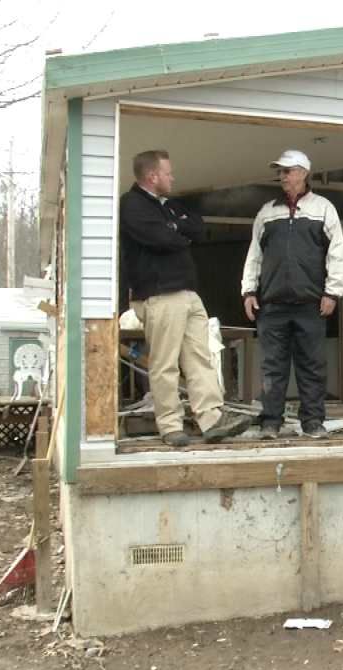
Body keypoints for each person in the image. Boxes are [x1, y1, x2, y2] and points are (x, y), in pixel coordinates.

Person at [120, 149, 250, 447]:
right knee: (165, 364)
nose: (172, 177)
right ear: (152, 176)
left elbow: (198, 227)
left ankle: (211, 420)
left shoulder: (170, 206)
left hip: (189, 294)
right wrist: (176, 231)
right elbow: (162, 239)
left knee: (200, 358)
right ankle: (170, 426)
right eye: (168, 173)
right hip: (160, 294)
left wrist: (176, 227)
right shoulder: (133, 205)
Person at [241, 149, 343, 440]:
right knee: (272, 367)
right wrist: (248, 291)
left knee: (311, 366)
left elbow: (336, 255)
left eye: (287, 171)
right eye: (281, 171)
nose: (282, 176)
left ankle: (312, 422)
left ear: (303, 173)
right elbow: (254, 255)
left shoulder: (324, 208)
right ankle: (270, 423)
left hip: (310, 304)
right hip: (272, 303)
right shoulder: (267, 212)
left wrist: (332, 293)